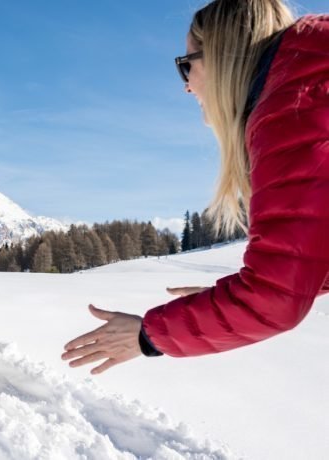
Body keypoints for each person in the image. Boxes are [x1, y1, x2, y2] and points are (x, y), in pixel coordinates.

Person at [62, 0, 329, 374]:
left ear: (221, 57)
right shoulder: (310, 80)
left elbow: (275, 297)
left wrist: (148, 336)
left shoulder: (295, 108)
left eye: (186, 65)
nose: (186, 87)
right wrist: (231, 299)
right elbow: (305, 258)